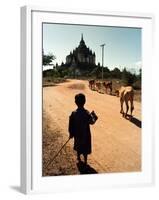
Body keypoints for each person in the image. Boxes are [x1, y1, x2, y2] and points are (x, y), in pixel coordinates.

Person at [68, 93, 98, 165]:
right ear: (85, 102)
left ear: (75, 102)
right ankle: (85, 161)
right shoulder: (87, 113)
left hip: (77, 134)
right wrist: (95, 117)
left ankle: (78, 157)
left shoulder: (73, 113)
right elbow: (92, 122)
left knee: (78, 146)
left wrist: (71, 133)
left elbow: (70, 125)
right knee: (85, 148)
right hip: (85, 135)